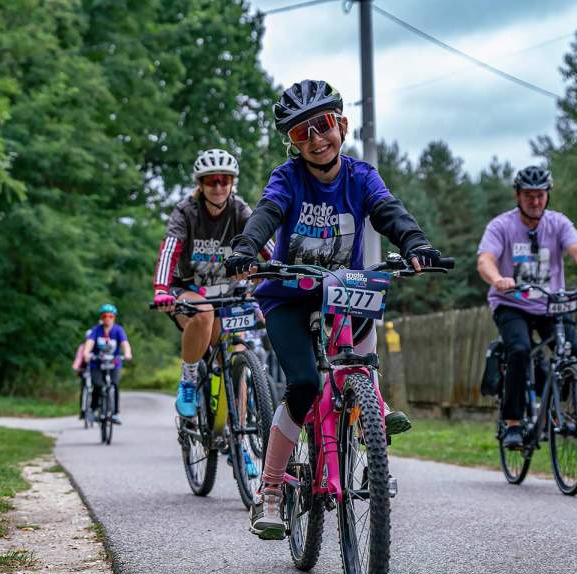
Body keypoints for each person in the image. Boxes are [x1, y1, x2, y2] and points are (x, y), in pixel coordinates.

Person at [224, 79, 441, 539]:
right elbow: (267, 212)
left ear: (341, 124)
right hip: (288, 295)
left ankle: (372, 428)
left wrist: (415, 241)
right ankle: (272, 490)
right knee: (303, 384)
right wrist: (247, 246)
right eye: (302, 134)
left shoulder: (361, 176)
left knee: (360, 362)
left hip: (344, 291)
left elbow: (388, 211)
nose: (316, 139)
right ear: (293, 143)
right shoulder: (288, 178)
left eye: (322, 126)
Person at [152, 148, 273, 418]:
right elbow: (170, 249)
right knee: (204, 312)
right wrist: (161, 290)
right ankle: (189, 379)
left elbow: (265, 246)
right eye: (210, 181)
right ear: (200, 184)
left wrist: (279, 274)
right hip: (187, 291)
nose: (218, 186)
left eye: (224, 180)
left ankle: (238, 441)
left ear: (232, 182)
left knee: (239, 357)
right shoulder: (186, 212)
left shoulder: (240, 210)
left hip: (227, 296)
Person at [477, 165, 577, 449]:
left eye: (541, 195)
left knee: (573, 350)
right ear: (518, 196)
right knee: (519, 349)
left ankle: (558, 397)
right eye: (529, 195)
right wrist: (498, 279)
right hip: (512, 304)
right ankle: (513, 424)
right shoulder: (502, 226)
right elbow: (485, 259)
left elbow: (574, 248)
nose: (535, 202)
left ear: (548, 196)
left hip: (551, 305)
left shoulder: (558, 223)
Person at [82, 304, 133, 424]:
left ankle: (115, 413)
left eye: (110, 316)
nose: (107, 318)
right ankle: (94, 410)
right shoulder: (96, 330)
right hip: (97, 363)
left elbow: (124, 343)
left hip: (113, 362)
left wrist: (127, 353)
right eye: (105, 316)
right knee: (98, 385)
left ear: (114, 317)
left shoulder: (118, 330)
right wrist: (86, 353)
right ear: (101, 317)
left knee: (114, 385)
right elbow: (90, 341)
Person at [72, 328, 93, 420]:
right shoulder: (82, 347)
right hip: (84, 369)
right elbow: (79, 358)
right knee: (84, 389)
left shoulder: (97, 347)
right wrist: (76, 367)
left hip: (95, 369)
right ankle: (83, 410)